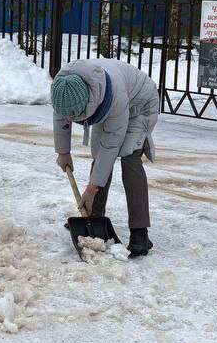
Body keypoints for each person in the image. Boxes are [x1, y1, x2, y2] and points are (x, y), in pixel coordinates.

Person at [52, 58, 159, 257]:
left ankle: (140, 232)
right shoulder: (63, 87)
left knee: (129, 158)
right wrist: (63, 152)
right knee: (100, 156)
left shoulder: (114, 96)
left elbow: (111, 146)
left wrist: (92, 189)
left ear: (88, 103)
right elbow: (61, 115)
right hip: (106, 105)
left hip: (140, 105)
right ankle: (94, 217)